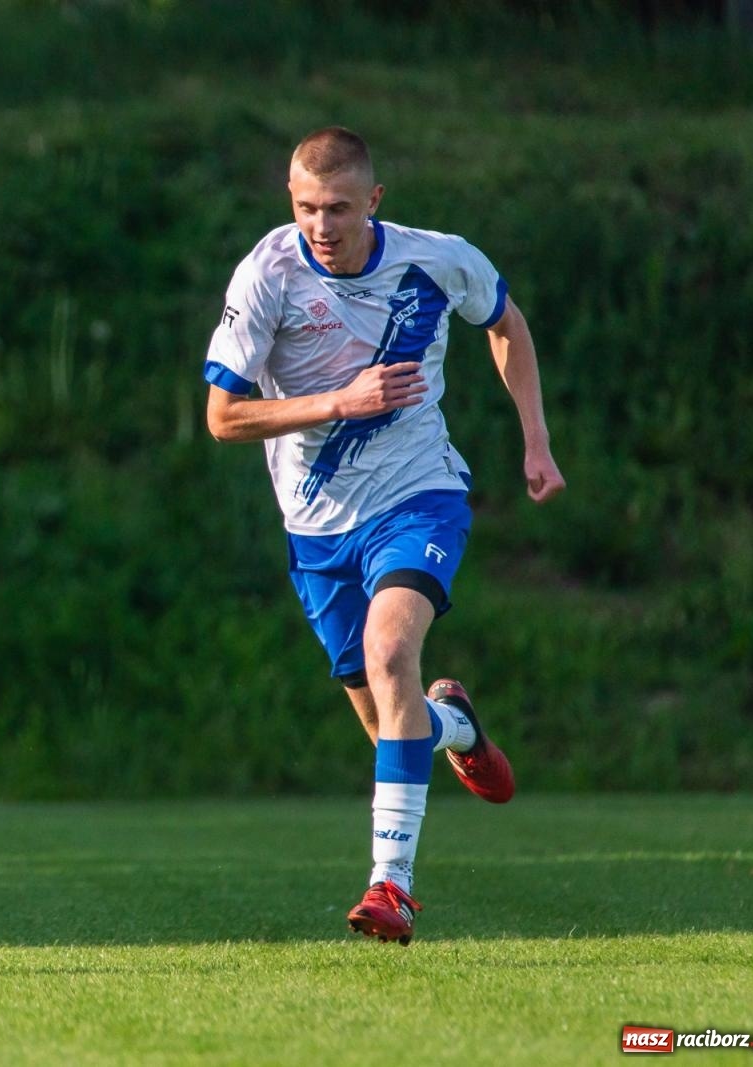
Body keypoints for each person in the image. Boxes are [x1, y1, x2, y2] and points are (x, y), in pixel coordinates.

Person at [202, 126, 565, 945]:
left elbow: (506, 322)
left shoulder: (437, 260)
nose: (320, 225)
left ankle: (390, 891)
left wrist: (535, 439)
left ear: (374, 200)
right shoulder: (268, 275)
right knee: (389, 723)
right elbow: (223, 417)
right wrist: (339, 400)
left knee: (392, 654)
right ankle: (457, 727)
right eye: (304, 207)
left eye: (336, 207)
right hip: (315, 528)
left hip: (418, 496)